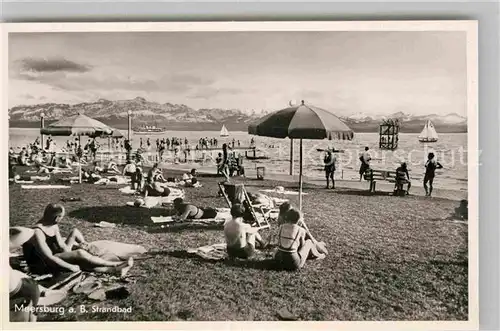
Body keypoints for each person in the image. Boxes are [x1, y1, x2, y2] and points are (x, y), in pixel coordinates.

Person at [21, 204, 133, 276]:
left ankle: (113, 269)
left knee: (79, 252)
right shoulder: (38, 232)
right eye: (62, 217)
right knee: (79, 256)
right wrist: (70, 265)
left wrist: (74, 252)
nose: (62, 219)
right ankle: (115, 265)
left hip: (55, 254)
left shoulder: (53, 225)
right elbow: (48, 257)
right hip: (42, 263)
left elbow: (61, 245)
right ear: (56, 218)